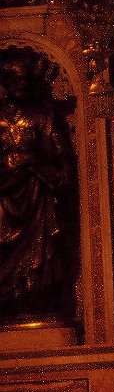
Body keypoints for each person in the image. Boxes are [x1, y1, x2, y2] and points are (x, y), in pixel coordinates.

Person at [0, 51, 72, 321]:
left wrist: (34, 162)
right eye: (14, 82)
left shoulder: (43, 114)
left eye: (24, 82)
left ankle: (35, 294)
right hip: (5, 192)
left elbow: (62, 156)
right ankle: (8, 297)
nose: (19, 87)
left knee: (41, 252)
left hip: (36, 191)